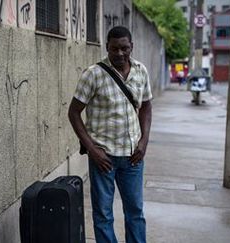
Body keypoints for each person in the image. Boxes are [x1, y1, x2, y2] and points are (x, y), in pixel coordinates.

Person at [68, 26, 152, 243]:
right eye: (115, 49)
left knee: (135, 213)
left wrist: (144, 141)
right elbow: (74, 113)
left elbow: (146, 107)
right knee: (103, 215)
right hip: (103, 159)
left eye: (125, 48)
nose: (120, 53)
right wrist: (92, 149)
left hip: (133, 157)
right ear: (107, 47)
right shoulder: (93, 74)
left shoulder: (141, 71)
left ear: (131, 46)